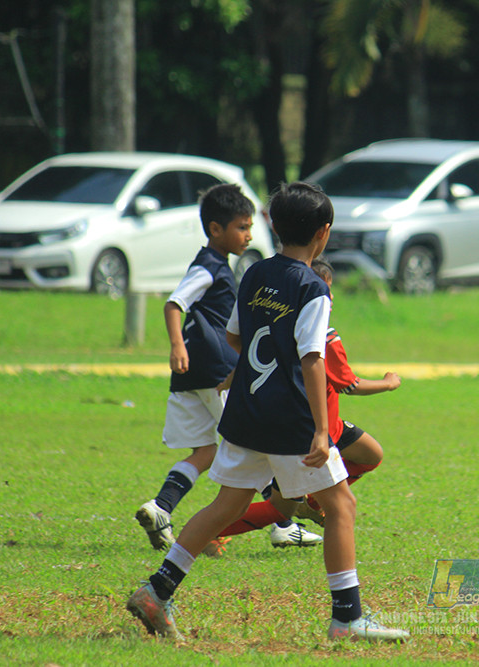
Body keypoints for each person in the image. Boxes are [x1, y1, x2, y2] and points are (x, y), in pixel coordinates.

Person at [125, 181, 409, 643]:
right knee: (341, 505)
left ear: (273, 227)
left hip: (245, 414)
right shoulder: (313, 286)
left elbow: (236, 339)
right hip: (289, 420)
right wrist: (322, 429)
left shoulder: (254, 274)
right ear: (324, 232)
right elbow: (312, 357)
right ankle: (347, 619)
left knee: (225, 506)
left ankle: (157, 590)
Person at [134, 183, 320, 555]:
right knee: (257, 445)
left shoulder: (222, 267)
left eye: (251, 226)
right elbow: (175, 303)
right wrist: (177, 345)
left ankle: (161, 507)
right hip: (215, 371)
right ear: (215, 229)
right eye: (241, 226)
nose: (248, 235)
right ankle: (283, 525)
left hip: (191, 375)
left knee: (205, 452)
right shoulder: (210, 267)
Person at [214, 256, 401, 537]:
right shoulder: (325, 337)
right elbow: (348, 385)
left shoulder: (280, 328)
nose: (331, 296)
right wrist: (388, 383)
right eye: (326, 289)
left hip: (313, 424)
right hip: (311, 430)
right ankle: (211, 532)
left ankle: (310, 501)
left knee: (370, 454)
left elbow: (241, 345)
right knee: (287, 508)